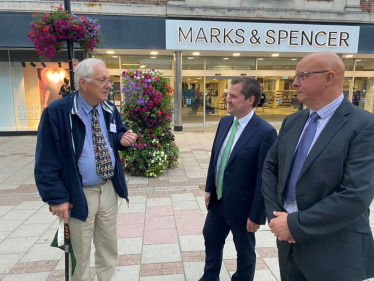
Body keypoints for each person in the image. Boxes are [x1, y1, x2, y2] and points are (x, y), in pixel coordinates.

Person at [262, 52, 374, 281]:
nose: (294, 82)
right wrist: (276, 217)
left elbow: (356, 195)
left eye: (302, 76)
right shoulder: (292, 121)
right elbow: (270, 168)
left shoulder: (364, 125)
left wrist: (295, 224)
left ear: (329, 78)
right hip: (288, 247)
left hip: (334, 250)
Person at [34, 58, 137, 281]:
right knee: (79, 256)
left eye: (109, 80)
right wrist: (57, 198)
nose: (109, 85)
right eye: (103, 80)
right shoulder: (57, 113)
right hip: (78, 195)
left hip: (108, 190)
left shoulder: (109, 108)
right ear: (83, 83)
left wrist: (123, 139)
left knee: (108, 248)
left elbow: (115, 134)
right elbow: (46, 161)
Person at [199, 77, 277, 281]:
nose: (227, 99)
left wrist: (257, 215)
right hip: (218, 200)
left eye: (233, 96)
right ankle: (210, 276)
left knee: (244, 250)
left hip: (243, 206)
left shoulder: (265, 132)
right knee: (211, 239)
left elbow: (265, 177)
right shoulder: (225, 122)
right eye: (227, 95)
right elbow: (216, 158)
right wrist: (209, 188)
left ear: (250, 100)